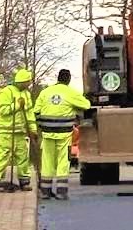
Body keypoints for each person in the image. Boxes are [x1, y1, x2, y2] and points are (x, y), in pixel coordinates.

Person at [32, 69, 90, 200]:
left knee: (47, 161)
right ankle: (61, 192)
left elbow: (36, 111)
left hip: (47, 133)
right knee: (63, 161)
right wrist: (73, 108)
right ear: (68, 80)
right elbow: (86, 105)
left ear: (57, 78)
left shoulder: (45, 92)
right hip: (64, 134)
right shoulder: (71, 93)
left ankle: (45, 192)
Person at [0, 69, 36, 192]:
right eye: (27, 82)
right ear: (22, 82)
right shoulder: (6, 92)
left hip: (20, 131)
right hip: (6, 130)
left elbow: (29, 113)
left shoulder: (26, 94)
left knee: (22, 156)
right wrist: (17, 106)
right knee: (3, 154)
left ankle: (24, 180)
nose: (29, 85)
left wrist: (32, 129)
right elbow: (3, 110)